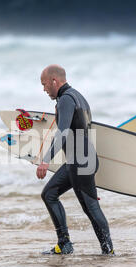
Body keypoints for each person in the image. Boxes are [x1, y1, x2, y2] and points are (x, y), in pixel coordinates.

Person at [35, 64, 114, 255]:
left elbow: (62, 133)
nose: (44, 89)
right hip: (80, 160)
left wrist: (46, 160)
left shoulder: (66, 100)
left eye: (45, 84)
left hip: (80, 162)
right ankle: (64, 244)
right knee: (49, 194)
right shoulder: (78, 96)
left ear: (55, 81)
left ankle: (108, 250)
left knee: (90, 207)